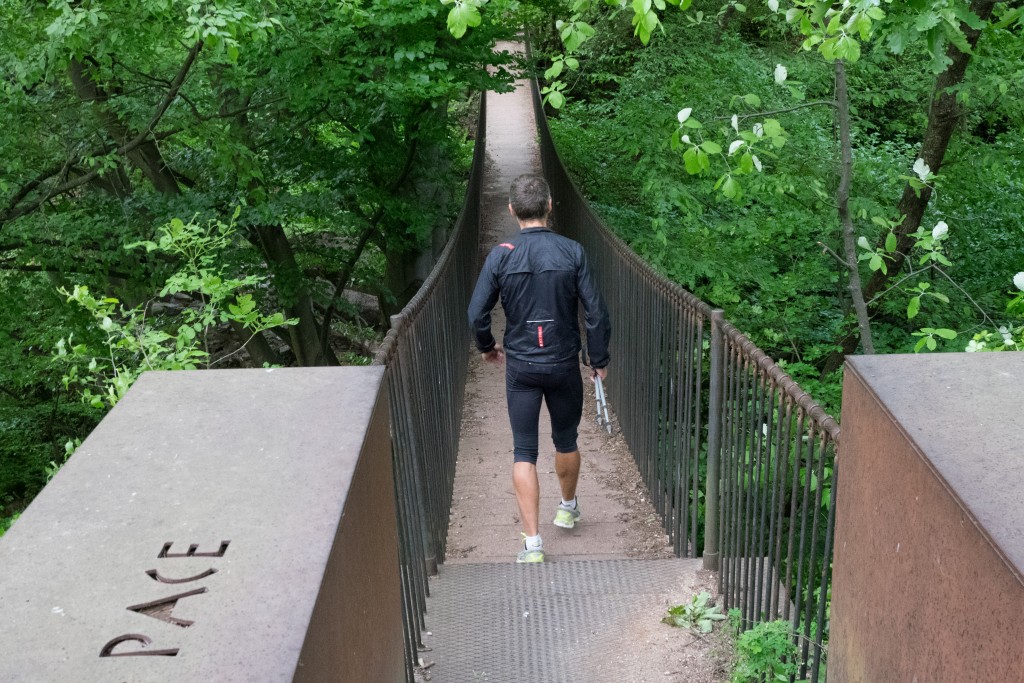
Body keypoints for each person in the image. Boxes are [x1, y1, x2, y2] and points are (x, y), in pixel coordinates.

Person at [467, 174, 611, 563]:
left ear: (512, 210)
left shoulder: (501, 255)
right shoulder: (572, 252)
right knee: (566, 439)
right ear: (549, 205)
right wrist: (597, 360)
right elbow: (596, 313)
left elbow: (476, 312)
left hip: (522, 366)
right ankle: (567, 507)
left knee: (523, 451)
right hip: (563, 362)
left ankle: (532, 545)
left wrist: (486, 347)